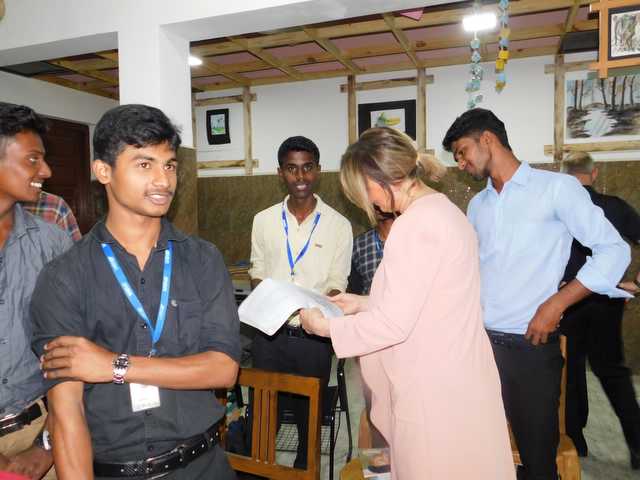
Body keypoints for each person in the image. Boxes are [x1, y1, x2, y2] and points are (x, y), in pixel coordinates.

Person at [31, 104, 241, 479]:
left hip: (203, 465)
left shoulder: (203, 259)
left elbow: (223, 368)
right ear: (103, 171)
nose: (163, 180)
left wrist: (114, 366)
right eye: (145, 164)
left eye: (170, 165)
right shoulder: (64, 276)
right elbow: (66, 415)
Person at [300, 127, 515, 480]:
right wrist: (362, 303)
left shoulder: (414, 226)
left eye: (364, 191)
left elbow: (393, 324)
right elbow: (430, 300)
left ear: (379, 180)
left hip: (433, 391)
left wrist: (326, 327)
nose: (370, 203)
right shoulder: (443, 211)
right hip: (457, 378)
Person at [443, 108, 632, 480]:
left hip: (529, 347)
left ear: (487, 139)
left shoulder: (556, 189)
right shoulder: (478, 205)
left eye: (462, 152)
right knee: (484, 455)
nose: (461, 163)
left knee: (537, 460)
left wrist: (557, 303)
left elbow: (614, 250)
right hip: (480, 346)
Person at [248, 135, 352, 469]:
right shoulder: (263, 220)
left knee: (310, 416)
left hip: (313, 337)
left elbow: (337, 283)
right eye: (292, 169)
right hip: (269, 334)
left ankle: (304, 471)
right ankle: (261, 472)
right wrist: (276, 298)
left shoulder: (338, 225)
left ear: (318, 170)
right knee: (265, 414)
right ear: (281, 173)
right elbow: (257, 271)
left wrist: (312, 307)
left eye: (307, 168)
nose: (301, 176)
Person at [0, 102, 72, 479]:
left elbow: (72, 348)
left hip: (38, 433)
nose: (46, 171)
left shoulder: (53, 243)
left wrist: (47, 445)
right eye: (33, 159)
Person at [559, 152, 640, 466]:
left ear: (564, 175)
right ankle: (638, 446)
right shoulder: (615, 206)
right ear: (594, 174)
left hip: (567, 298)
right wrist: (637, 283)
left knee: (570, 370)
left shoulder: (560, 207)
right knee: (613, 371)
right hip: (607, 299)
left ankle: (574, 443)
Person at [346, 208, 394, 449]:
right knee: (374, 407)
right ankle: (379, 463)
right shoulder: (359, 246)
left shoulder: (415, 240)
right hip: (371, 345)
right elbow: (353, 296)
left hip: (408, 343)